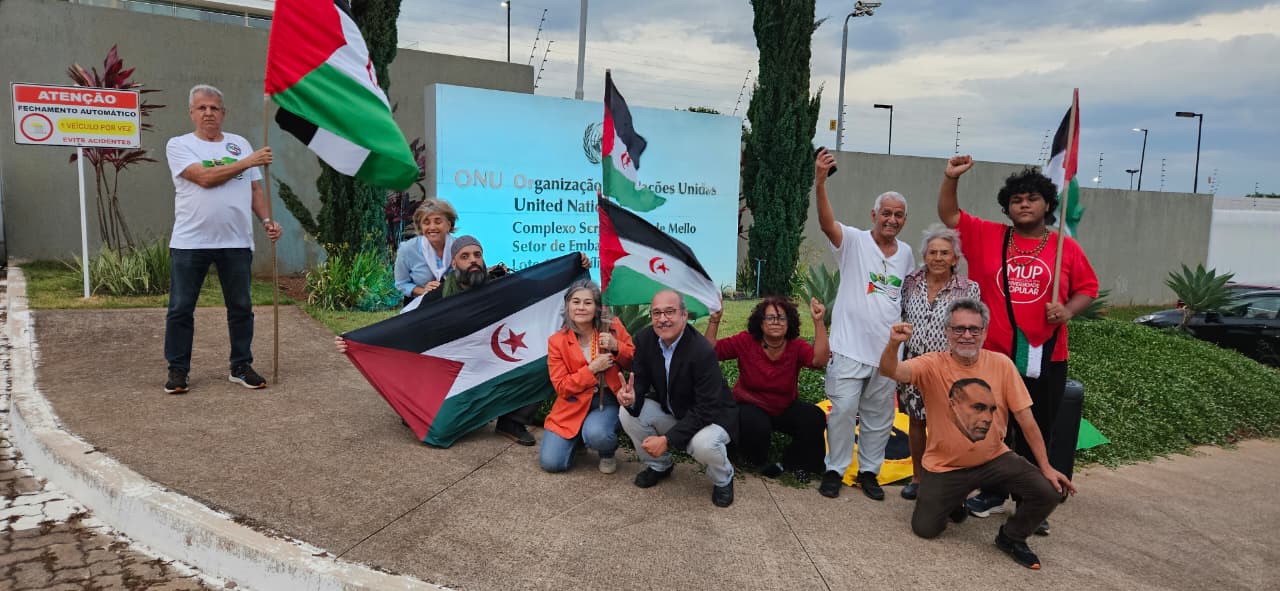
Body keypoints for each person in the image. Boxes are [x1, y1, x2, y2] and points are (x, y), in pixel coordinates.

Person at [937, 156, 1098, 532]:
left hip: (1047, 355)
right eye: (1016, 200)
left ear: (1047, 205)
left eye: (1032, 199)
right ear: (1007, 208)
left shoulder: (1064, 249)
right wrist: (950, 178)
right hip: (994, 357)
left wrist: (1068, 310)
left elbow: (1088, 288)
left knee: (1037, 428)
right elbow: (949, 214)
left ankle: (1032, 502)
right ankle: (993, 493)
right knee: (991, 426)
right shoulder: (989, 235)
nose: (1024, 205)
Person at [879, 298, 1076, 570]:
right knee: (925, 529)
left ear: (985, 332)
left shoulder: (1002, 365)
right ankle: (954, 502)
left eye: (974, 329)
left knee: (1049, 491)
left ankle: (1011, 537)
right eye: (959, 329)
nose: (967, 335)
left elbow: (1027, 421)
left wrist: (1046, 467)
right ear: (947, 331)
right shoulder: (932, 364)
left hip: (994, 459)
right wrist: (893, 344)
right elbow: (890, 370)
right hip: (945, 466)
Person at [337, 236, 589, 445]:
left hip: (498, 361)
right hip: (459, 369)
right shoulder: (438, 297)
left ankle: (512, 422)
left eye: (477, 255)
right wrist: (357, 341)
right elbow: (401, 327)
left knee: (542, 361)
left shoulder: (501, 285)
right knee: (441, 426)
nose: (473, 261)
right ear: (454, 263)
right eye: (465, 257)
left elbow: (542, 285)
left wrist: (576, 266)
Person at [163, 84, 283, 395]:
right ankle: (178, 370)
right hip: (191, 242)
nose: (208, 113)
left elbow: (256, 190)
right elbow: (204, 178)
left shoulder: (240, 144)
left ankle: (240, 365)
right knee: (181, 308)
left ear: (223, 113)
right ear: (191, 113)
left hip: (236, 241)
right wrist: (248, 162)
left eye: (214, 108)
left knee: (241, 307)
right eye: (201, 108)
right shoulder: (179, 145)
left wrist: (267, 221)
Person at [813, 148, 915, 500]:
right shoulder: (854, 241)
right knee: (842, 411)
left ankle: (870, 471)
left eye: (898, 215)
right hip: (848, 348)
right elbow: (827, 223)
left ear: (904, 220)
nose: (891, 219)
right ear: (874, 214)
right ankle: (834, 469)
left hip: (886, 355)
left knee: (879, 417)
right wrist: (820, 182)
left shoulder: (906, 254)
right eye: (886, 213)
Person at [617, 290, 739, 507]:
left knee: (704, 444)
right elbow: (641, 380)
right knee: (626, 413)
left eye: (670, 312)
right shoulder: (645, 340)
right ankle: (659, 466)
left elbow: (706, 409)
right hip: (677, 411)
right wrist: (632, 396)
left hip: (712, 418)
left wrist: (667, 440)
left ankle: (724, 478)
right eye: (656, 313)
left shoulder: (701, 350)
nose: (662, 319)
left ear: (684, 315)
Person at [704, 296, 829, 482]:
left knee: (815, 417)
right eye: (770, 318)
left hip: (783, 406)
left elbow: (819, 360)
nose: (776, 322)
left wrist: (818, 322)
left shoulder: (796, 345)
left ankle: (790, 462)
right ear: (760, 322)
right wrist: (715, 320)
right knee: (756, 425)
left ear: (789, 322)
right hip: (749, 404)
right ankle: (755, 459)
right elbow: (710, 352)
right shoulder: (746, 341)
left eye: (781, 318)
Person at [897, 224, 981, 500]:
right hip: (914, 366)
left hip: (949, 368)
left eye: (945, 253)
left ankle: (947, 481)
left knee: (947, 426)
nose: (938, 258)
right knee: (917, 422)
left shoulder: (968, 289)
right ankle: (919, 478)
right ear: (925, 255)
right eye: (932, 252)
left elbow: (971, 329)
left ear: (955, 258)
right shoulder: (910, 282)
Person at [541, 280, 634, 474]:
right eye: (576, 302)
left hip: (606, 400)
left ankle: (606, 452)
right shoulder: (556, 341)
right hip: (571, 404)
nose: (581, 307)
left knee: (597, 434)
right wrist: (591, 369)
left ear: (597, 307)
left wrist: (617, 346)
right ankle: (576, 440)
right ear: (567, 306)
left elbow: (635, 361)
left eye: (588, 302)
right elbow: (562, 387)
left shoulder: (612, 326)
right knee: (551, 464)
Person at [393, 198, 459, 306]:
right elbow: (401, 284)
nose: (432, 227)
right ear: (420, 227)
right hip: (419, 306)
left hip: (453, 304)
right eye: (426, 222)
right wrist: (424, 291)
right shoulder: (407, 249)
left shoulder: (460, 247)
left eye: (438, 221)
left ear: (449, 224)